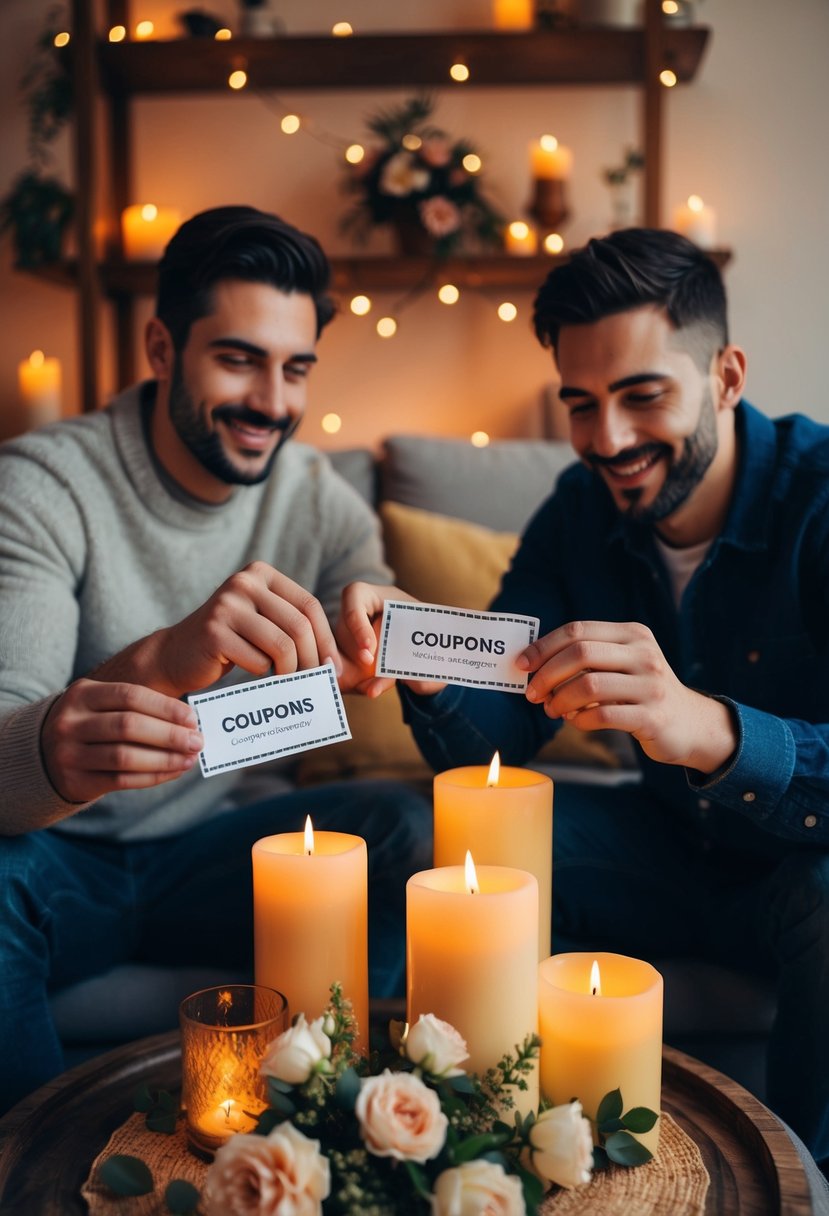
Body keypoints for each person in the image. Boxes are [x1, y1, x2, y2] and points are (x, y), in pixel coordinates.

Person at [341, 227, 829, 1168]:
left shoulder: (815, 497)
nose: (606, 440)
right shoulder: (576, 510)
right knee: (451, 852)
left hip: (799, 869)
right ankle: (458, 1148)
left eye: (642, 395)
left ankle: (799, 1186)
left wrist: (713, 731)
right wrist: (427, 654)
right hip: (659, 851)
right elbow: (493, 740)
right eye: (580, 404)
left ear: (725, 377)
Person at [0, 205, 431, 1114]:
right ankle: (36, 1171)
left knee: (403, 829)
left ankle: (326, 1124)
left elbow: (375, 596)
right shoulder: (41, 487)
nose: (272, 403)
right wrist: (157, 660)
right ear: (161, 349)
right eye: (238, 359)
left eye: (296, 368)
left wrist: (383, 625)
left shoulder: (318, 497)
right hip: (54, 861)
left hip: (212, 848)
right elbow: (1, 779)